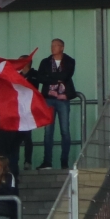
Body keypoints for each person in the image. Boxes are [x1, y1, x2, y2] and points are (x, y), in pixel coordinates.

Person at [32, 39, 78, 170]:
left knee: (65, 130)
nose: (52, 48)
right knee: (48, 131)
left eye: (55, 46)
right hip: (48, 98)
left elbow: (65, 76)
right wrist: (56, 79)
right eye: (51, 45)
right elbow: (40, 77)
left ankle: (64, 161)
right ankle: (47, 162)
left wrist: (50, 77)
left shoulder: (69, 61)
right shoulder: (45, 62)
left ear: (62, 47)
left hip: (63, 98)